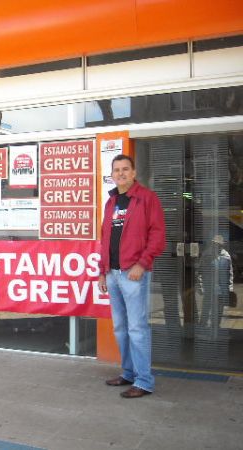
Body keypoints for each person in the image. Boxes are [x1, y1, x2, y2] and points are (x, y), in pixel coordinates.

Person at [98, 155, 166, 398]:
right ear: (112, 174)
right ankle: (128, 372)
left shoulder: (147, 198)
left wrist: (142, 264)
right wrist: (102, 271)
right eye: (116, 170)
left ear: (134, 173)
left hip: (133, 272)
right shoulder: (111, 202)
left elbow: (157, 236)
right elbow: (105, 238)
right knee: (120, 327)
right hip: (113, 273)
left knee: (137, 328)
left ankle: (144, 381)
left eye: (125, 169)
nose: (121, 174)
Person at [199, 235, 233, 331]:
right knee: (206, 309)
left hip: (221, 289)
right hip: (209, 288)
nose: (217, 246)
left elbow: (230, 273)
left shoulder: (226, 256)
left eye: (219, 244)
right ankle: (202, 327)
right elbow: (200, 272)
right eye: (215, 244)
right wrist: (201, 287)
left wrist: (229, 288)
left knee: (219, 310)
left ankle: (215, 327)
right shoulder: (206, 255)